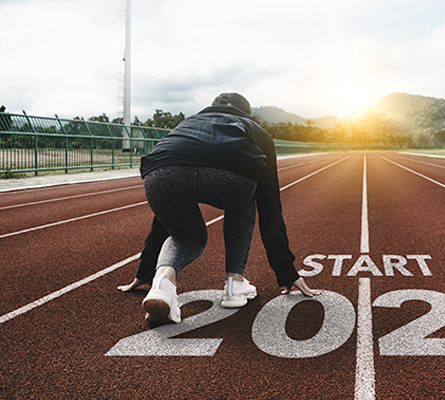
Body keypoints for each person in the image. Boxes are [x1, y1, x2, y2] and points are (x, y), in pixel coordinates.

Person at [134, 92, 321, 325]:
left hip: (159, 174)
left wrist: (145, 270)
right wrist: (286, 272)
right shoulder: (255, 130)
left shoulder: (187, 123)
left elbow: (163, 216)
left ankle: (161, 280)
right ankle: (234, 283)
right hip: (230, 175)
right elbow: (269, 205)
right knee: (246, 195)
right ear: (248, 114)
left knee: (184, 233)